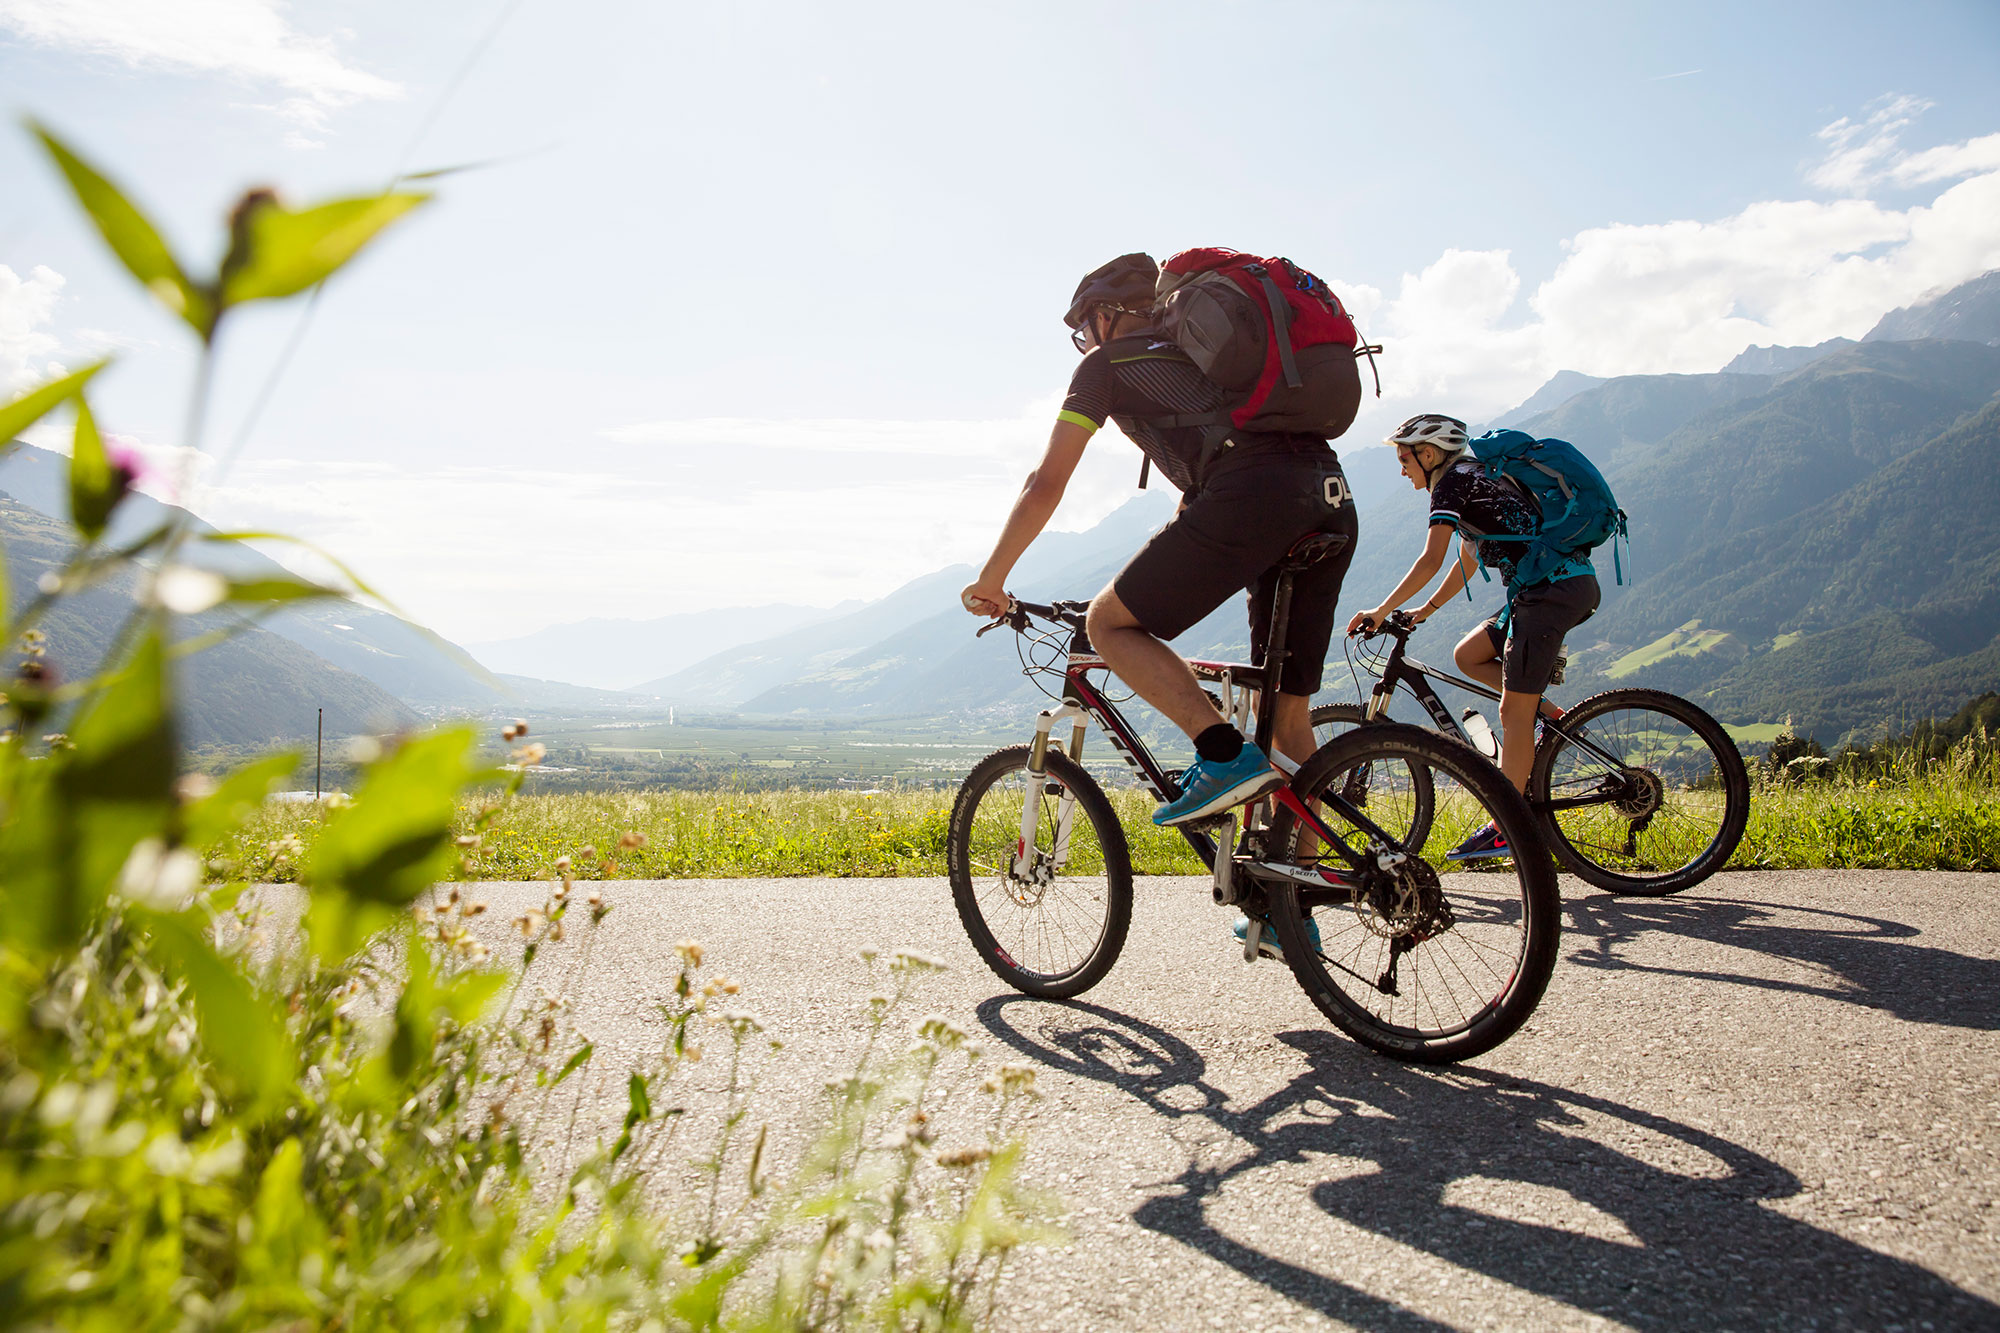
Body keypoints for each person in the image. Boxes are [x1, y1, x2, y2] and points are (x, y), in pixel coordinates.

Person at [960, 253, 1360, 835]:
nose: (1085, 342)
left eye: (1084, 329)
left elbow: (1045, 482)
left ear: (1105, 315)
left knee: (1107, 624)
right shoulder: (1211, 360)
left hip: (1255, 499)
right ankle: (1301, 886)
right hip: (1330, 495)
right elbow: (1206, 487)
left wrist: (992, 577)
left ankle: (1222, 754)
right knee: (1285, 714)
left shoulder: (1106, 364)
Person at [1346, 413, 1600, 860]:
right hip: (1555, 588)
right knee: (1469, 655)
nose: (1402, 471)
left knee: (1512, 711)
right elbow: (1466, 560)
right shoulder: (1475, 476)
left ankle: (1508, 828)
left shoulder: (1452, 484)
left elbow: (1431, 559)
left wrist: (1379, 611)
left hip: (1549, 593)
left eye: (1405, 460)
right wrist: (1422, 612)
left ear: (1429, 454)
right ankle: (1550, 718)